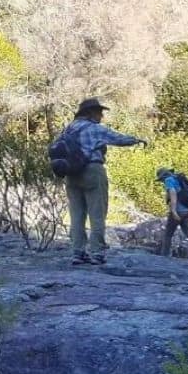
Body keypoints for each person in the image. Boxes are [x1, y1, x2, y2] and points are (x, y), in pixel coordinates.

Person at [60, 98, 146, 265]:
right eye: (100, 112)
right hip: (92, 170)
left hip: (71, 173)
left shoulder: (68, 129)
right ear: (91, 112)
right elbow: (118, 139)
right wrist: (137, 140)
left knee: (76, 215)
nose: (101, 116)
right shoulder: (95, 129)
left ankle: (77, 252)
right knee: (97, 213)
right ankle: (97, 252)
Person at [155, 168, 188, 259]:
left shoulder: (169, 180)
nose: (162, 182)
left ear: (163, 177)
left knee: (168, 234)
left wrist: (174, 211)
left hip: (178, 211)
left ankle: (164, 257)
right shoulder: (180, 179)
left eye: (161, 180)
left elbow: (173, 193)